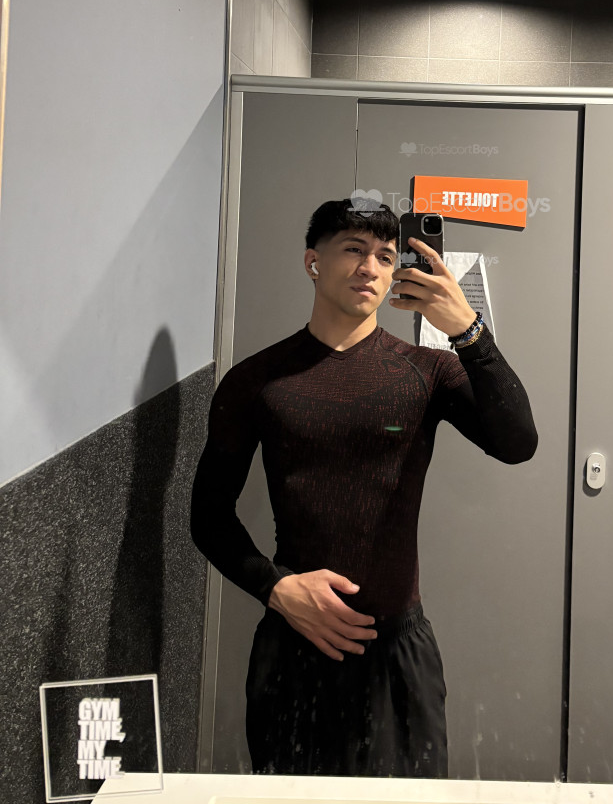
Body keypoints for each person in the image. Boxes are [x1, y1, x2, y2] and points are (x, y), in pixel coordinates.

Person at [190, 198, 537, 778]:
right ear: (312, 262)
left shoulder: (427, 371)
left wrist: (468, 330)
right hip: (295, 647)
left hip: (398, 653)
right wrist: (276, 588)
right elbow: (208, 515)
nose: (370, 267)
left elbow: (517, 442)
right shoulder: (256, 380)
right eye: (353, 249)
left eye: (384, 255)